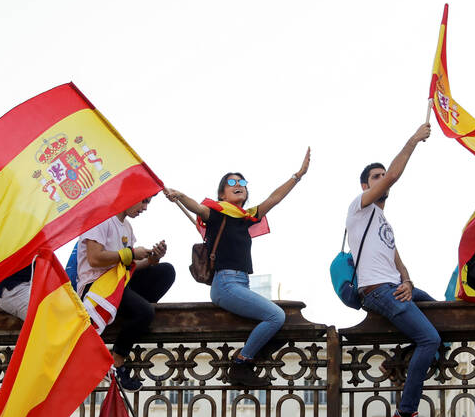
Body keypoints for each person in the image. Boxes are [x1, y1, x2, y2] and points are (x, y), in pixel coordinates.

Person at [164, 149, 310, 388]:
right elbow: (197, 208)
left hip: (242, 283)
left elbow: (274, 198)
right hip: (225, 284)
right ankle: (241, 365)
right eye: (231, 182)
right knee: (276, 315)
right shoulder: (217, 214)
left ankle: (254, 355)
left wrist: (298, 175)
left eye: (242, 182)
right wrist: (180, 195)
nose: (238, 184)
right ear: (222, 193)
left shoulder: (247, 217)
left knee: (285, 323)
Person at [347, 123, 438, 417]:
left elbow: (396, 259)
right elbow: (393, 176)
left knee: (437, 310)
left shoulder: (384, 221)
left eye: (382, 175)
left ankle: (398, 364)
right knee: (430, 339)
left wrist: (409, 282)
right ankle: (406, 412)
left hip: (393, 286)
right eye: (376, 176)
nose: (382, 179)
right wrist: (413, 140)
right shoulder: (359, 208)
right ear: (364, 186)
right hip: (376, 290)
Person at [77, 196, 175, 391]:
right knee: (145, 312)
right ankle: (117, 361)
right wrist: (129, 254)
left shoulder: (126, 227)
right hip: (96, 286)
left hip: (119, 283)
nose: (145, 208)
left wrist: (153, 258)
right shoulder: (101, 217)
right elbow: (95, 258)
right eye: (143, 201)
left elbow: (130, 266)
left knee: (166, 271)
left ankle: (130, 312)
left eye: (148, 203)